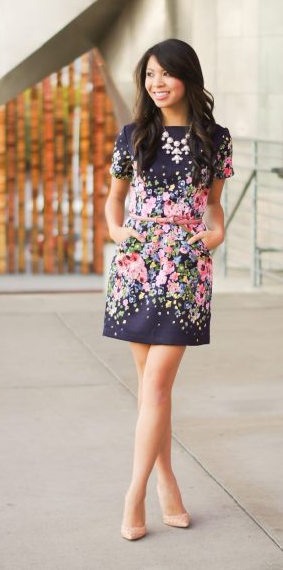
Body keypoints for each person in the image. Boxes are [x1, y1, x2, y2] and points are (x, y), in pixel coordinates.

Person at [102, 38, 235, 541]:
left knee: (156, 386)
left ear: (187, 77)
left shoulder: (215, 139)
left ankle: (133, 497)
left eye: (165, 74)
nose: (156, 84)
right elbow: (114, 200)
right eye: (149, 75)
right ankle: (167, 483)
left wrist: (217, 230)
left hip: (185, 268)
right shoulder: (133, 134)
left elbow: (215, 204)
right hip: (137, 265)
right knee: (152, 393)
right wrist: (116, 231)